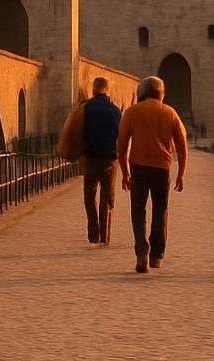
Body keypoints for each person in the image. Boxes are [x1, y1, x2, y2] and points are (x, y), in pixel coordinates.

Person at [117, 76, 188, 273]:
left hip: (138, 166)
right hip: (162, 168)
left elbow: (121, 145)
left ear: (142, 92)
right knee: (160, 210)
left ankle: (142, 251)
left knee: (138, 212)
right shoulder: (170, 113)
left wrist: (125, 172)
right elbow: (182, 147)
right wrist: (181, 173)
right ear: (161, 93)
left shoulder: (132, 113)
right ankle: (157, 255)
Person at [57, 77, 124, 245]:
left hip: (90, 158)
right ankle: (104, 236)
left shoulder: (84, 109)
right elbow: (121, 138)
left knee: (89, 194)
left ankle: (93, 232)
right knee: (107, 195)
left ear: (93, 90)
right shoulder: (116, 110)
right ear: (107, 90)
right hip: (110, 159)